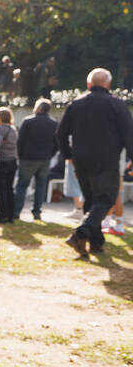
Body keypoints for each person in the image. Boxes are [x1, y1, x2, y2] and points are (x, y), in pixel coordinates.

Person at [57, 68, 133, 257]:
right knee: (106, 198)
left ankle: (96, 244)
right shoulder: (116, 104)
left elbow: (60, 133)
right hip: (106, 159)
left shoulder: (75, 104)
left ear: (89, 84)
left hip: (81, 160)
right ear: (108, 84)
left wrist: (68, 156)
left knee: (91, 201)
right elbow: (128, 134)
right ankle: (80, 234)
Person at [13, 98, 57, 221]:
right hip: (44, 159)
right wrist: (50, 154)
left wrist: (20, 155)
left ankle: (16, 212)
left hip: (28, 158)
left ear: (38, 108)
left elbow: (20, 141)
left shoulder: (28, 121)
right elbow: (56, 143)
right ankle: (37, 212)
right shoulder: (53, 124)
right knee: (41, 186)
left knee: (22, 185)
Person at [0, 107, 18, 223]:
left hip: (2, 162)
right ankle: (11, 215)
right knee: (9, 189)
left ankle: (2, 215)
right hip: (12, 162)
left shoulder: (0, 129)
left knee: (1, 190)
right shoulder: (13, 129)